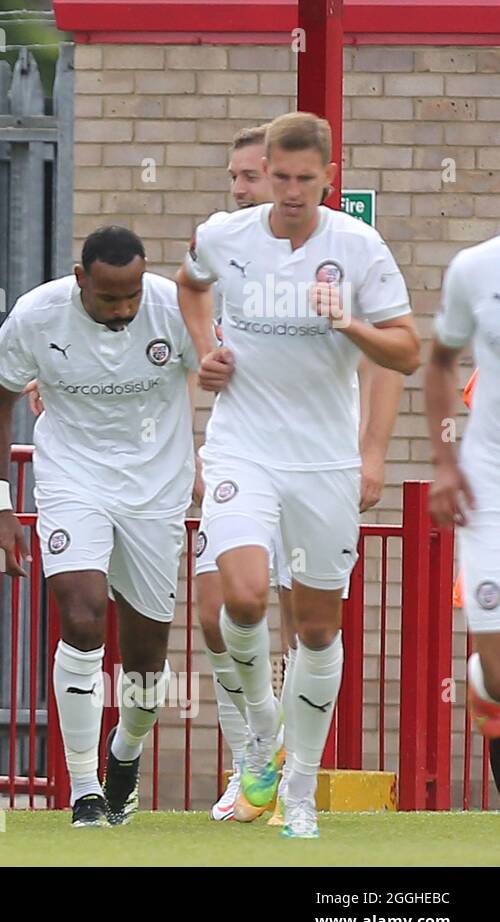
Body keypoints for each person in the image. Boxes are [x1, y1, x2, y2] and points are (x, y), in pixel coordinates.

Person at [174, 112, 420, 838]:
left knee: (315, 629)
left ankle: (302, 792)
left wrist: (348, 325)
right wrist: (204, 350)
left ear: (327, 177)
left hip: (323, 461)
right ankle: (260, 740)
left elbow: (405, 354)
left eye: (302, 181)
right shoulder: (225, 235)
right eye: (276, 177)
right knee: (240, 600)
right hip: (242, 447)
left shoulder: (358, 247)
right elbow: (191, 288)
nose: (286, 193)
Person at [0, 225, 197, 827]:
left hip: (156, 493)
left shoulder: (175, 308)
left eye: (132, 297)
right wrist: (1, 508)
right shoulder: (37, 315)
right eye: (109, 299)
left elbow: (226, 382)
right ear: (81, 281)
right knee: (81, 616)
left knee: (148, 657)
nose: (124, 309)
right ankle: (84, 789)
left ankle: (125, 755)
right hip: (73, 481)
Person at [425, 239, 500, 797]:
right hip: (489, 488)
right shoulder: (474, 268)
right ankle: (487, 686)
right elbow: (441, 359)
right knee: (497, 674)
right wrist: (446, 465)